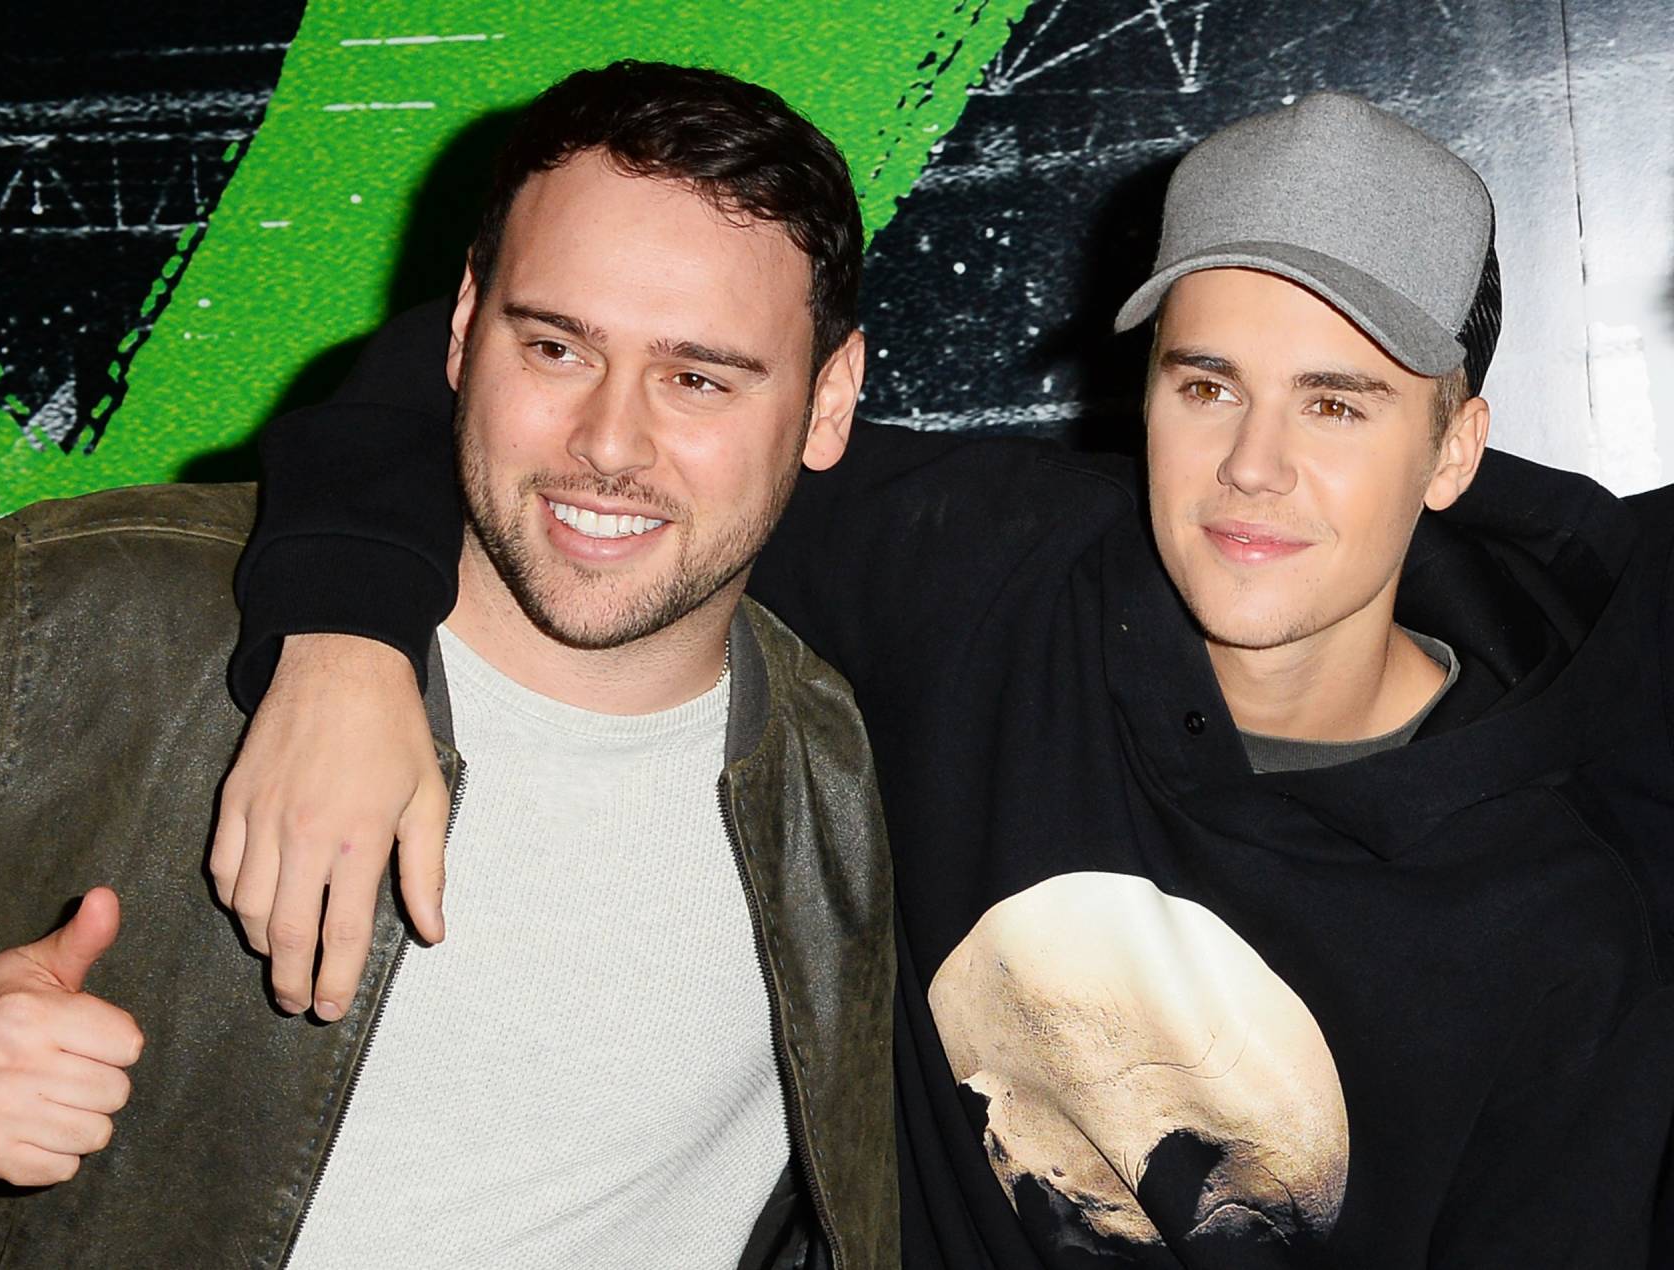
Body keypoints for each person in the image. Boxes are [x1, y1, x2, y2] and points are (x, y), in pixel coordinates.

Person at [216, 91, 1674, 1266]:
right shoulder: (987, 577)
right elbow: (504, 368)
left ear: (1457, 451)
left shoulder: (1558, 928)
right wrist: (344, 639)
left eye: (1338, 403)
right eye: (1206, 381)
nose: (1254, 467)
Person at [0, 62, 900, 1269]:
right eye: (556, 349)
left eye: (697, 378)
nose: (609, 443)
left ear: (829, 396)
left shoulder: (863, 767)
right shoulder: (88, 617)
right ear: (464, 329)